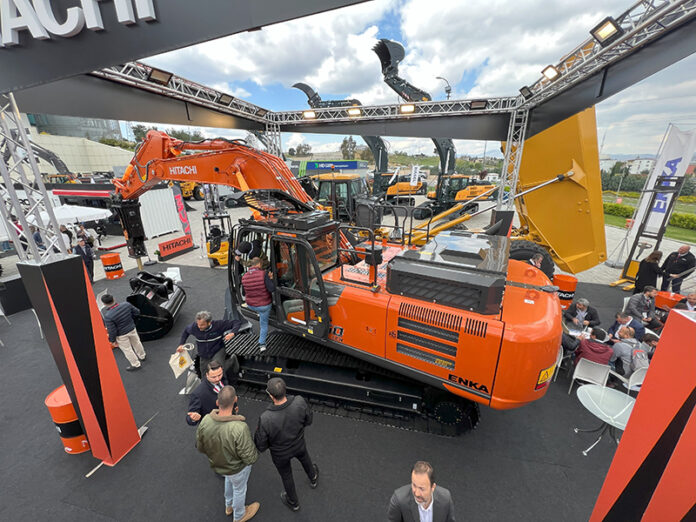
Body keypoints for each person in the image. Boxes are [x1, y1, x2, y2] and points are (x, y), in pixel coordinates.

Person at [196, 385, 260, 522]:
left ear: (217, 402)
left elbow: (200, 447)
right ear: (235, 400)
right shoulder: (240, 427)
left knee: (228, 480)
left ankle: (229, 505)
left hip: (219, 464)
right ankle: (239, 515)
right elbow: (250, 457)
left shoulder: (206, 420)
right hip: (237, 468)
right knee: (239, 489)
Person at [254, 377, 318, 513]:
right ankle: (313, 477)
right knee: (305, 458)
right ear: (285, 389)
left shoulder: (265, 418)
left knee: (286, 475)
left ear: (271, 396)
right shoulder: (299, 401)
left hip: (280, 454)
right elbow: (309, 420)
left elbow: (261, 444)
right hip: (299, 443)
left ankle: (294, 502)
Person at [387, 461, 456, 522]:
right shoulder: (399, 500)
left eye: (421, 488)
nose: (416, 493)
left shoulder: (445, 498)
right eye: (414, 485)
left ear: (433, 487)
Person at [101, 294, 146, 371]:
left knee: (127, 350)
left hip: (121, 335)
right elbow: (137, 312)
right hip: (132, 329)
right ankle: (142, 356)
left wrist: (112, 340)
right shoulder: (126, 305)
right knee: (137, 343)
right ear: (114, 298)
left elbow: (112, 330)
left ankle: (136, 364)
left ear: (104, 304)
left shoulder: (108, 316)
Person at [241, 257, 275, 352]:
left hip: (251, 305)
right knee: (263, 325)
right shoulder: (263, 274)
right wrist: (271, 279)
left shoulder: (244, 276)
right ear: (259, 264)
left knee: (260, 311)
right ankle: (262, 344)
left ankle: (259, 313)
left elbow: (243, 293)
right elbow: (272, 289)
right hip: (264, 305)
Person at [187, 360, 227, 426]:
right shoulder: (198, 394)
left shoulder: (224, 379)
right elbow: (190, 418)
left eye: (219, 375)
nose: (217, 379)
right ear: (207, 375)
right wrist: (193, 419)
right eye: (213, 377)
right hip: (213, 426)